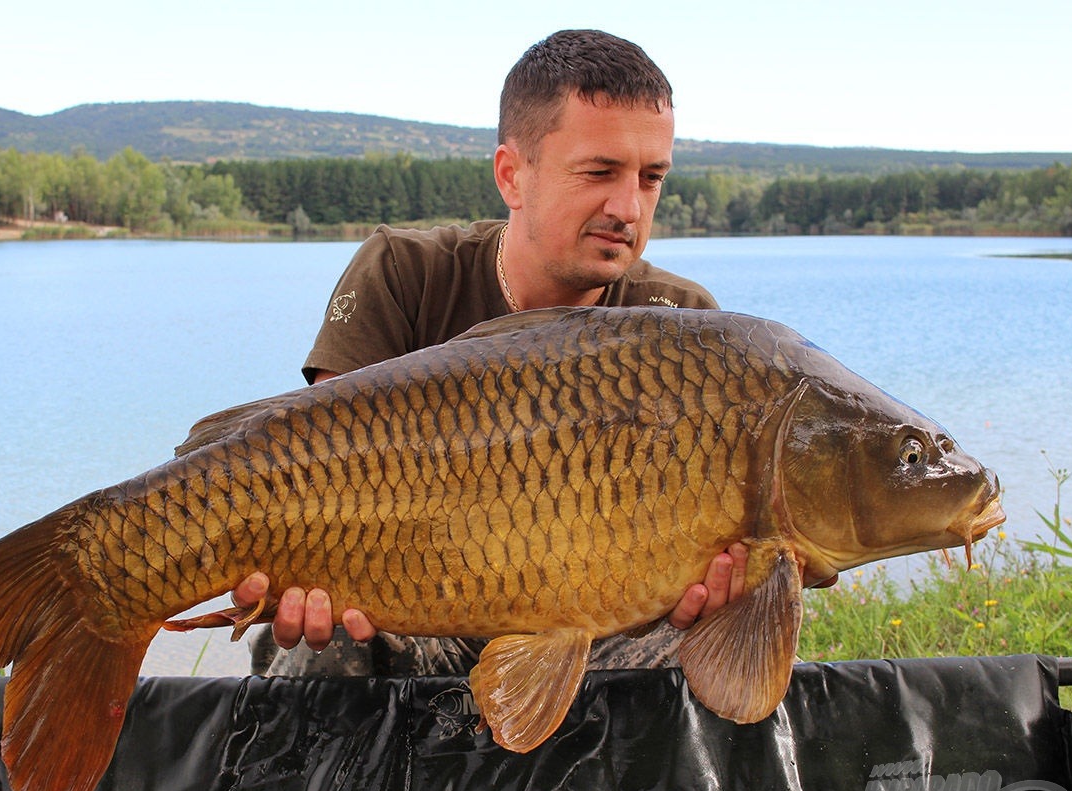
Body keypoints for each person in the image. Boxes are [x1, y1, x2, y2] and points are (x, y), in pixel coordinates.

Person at [235, 28, 750, 677]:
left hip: (594, 632)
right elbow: (316, 480)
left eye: (651, 178)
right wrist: (303, 583)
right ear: (512, 175)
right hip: (413, 614)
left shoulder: (684, 327)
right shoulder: (404, 271)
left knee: (719, 638)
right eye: (599, 172)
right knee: (325, 642)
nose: (628, 207)